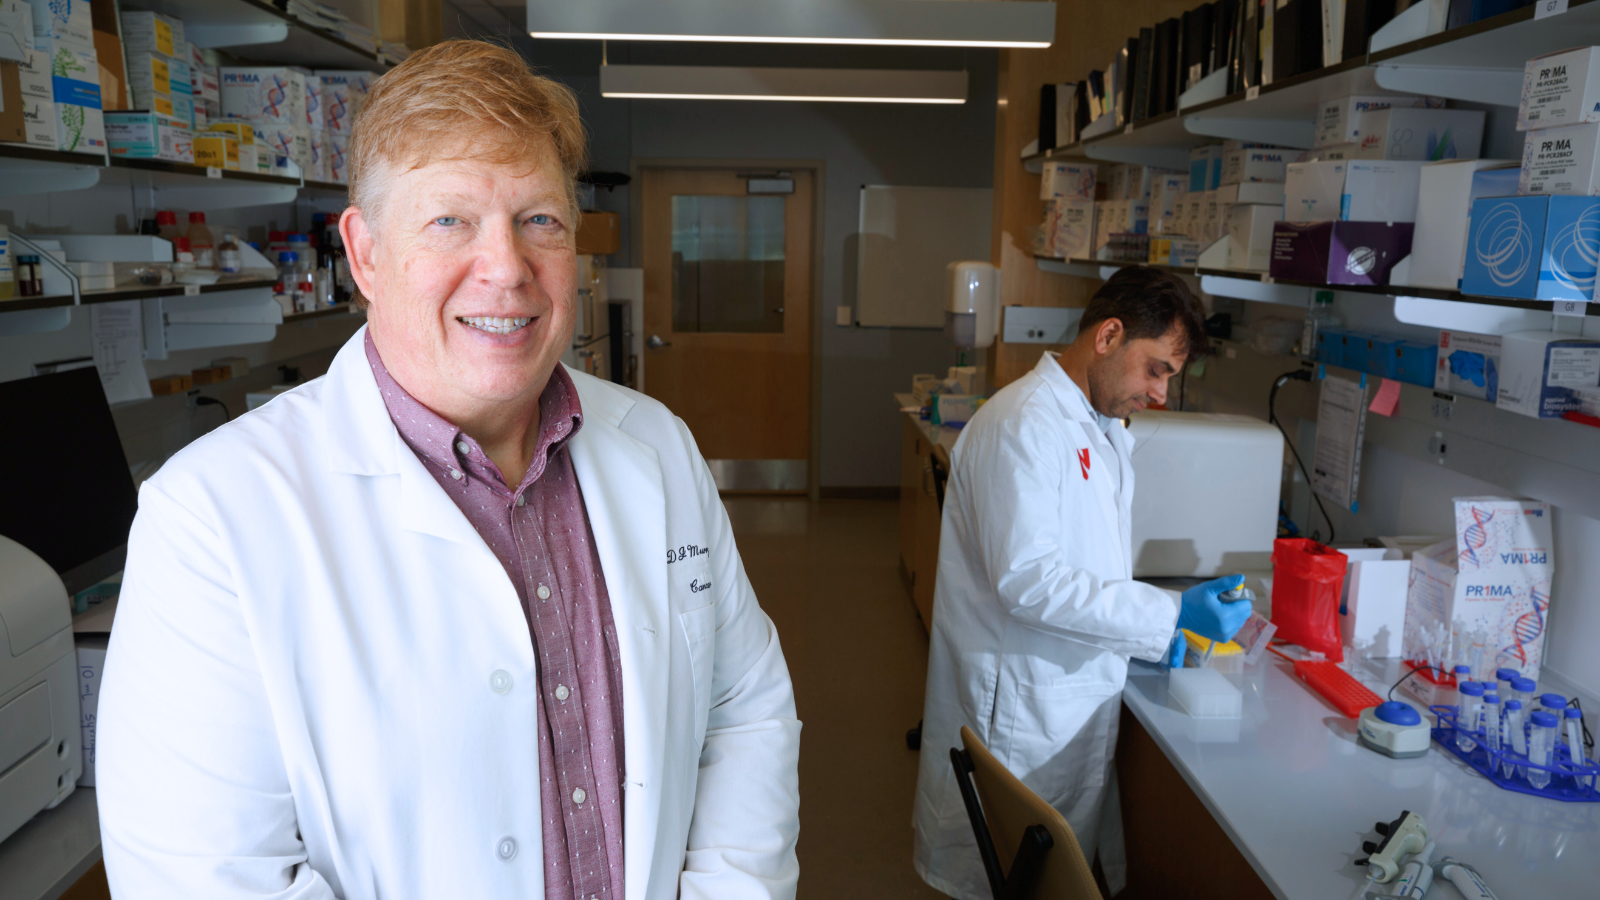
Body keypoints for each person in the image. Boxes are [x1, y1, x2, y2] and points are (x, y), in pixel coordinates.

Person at [96, 41, 801, 900]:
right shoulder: (211, 517)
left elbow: (745, 709)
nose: (506, 267)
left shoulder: (656, 446)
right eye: (449, 221)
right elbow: (206, 877)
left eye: (538, 218)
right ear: (364, 254)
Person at [911, 266, 1250, 898]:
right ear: (1109, 335)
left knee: (1048, 875)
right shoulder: (1026, 425)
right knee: (1012, 878)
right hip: (1021, 708)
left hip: (1065, 690)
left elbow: (1088, 564)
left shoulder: (1099, 427)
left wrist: (1149, 632)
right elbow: (1030, 581)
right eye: (1155, 370)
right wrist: (1169, 615)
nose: (1159, 395)